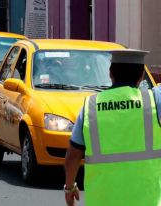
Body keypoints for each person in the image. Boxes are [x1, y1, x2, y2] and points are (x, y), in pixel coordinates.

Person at [64, 49, 161, 206]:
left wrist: (69, 188)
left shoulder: (90, 106)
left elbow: (72, 157)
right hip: (146, 200)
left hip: (102, 201)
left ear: (110, 73)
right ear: (141, 76)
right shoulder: (154, 100)